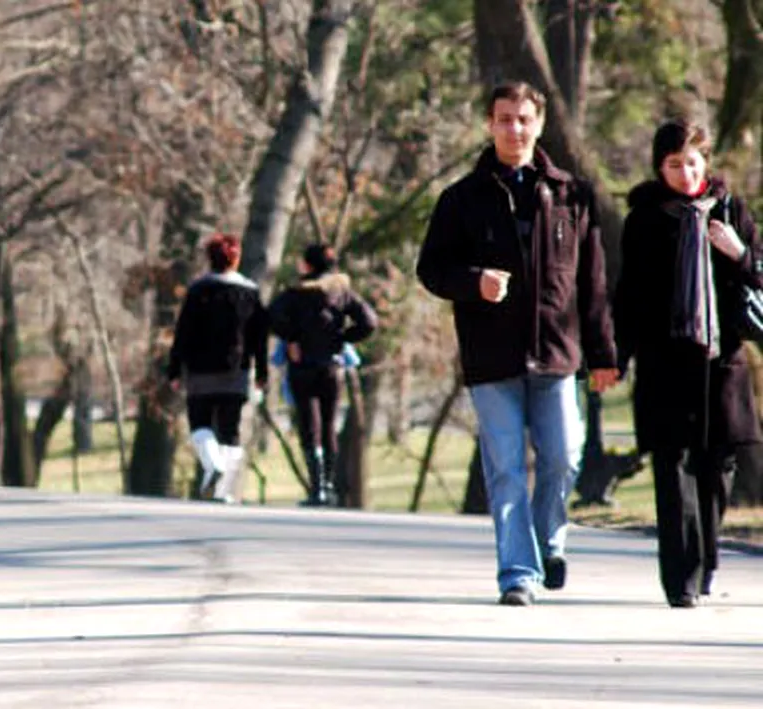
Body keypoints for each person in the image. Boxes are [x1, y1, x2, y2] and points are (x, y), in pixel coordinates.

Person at [416, 81, 618, 606]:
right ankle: (518, 575)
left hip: (556, 352)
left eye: (523, 118)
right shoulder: (461, 198)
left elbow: (592, 284)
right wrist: (473, 282)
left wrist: (603, 355)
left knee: (563, 458)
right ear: (490, 123)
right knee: (505, 470)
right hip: (492, 358)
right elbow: (432, 269)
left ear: (540, 123)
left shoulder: (573, 194)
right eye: (504, 119)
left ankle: (549, 540)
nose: (514, 129)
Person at [612, 119, 762, 608]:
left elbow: (757, 271)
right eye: (673, 164)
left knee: (718, 468)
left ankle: (708, 558)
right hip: (665, 362)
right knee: (673, 472)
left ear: (706, 163)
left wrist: (735, 252)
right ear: (660, 167)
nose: (684, 173)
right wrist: (617, 354)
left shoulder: (730, 210)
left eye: (691, 162)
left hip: (722, 362)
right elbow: (629, 294)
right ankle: (681, 579)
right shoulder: (645, 219)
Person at [268, 244, 377, 507]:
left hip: (302, 366)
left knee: (309, 424)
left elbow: (270, 317)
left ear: (307, 266)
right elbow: (369, 322)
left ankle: (316, 488)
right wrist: (342, 338)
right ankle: (328, 487)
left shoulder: (294, 294)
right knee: (329, 425)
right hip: (332, 367)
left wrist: (292, 338)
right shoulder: (342, 293)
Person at [167, 233, 269, 503]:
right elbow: (259, 337)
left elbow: (183, 333)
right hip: (237, 371)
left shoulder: (199, 290)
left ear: (210, 259)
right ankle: (223, 491)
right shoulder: (250, 292)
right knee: (230, 429)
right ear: (236, 259)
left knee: (200, 423)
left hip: (200, 369)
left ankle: (213, 465)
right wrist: (262, 374)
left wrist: (174, 369)